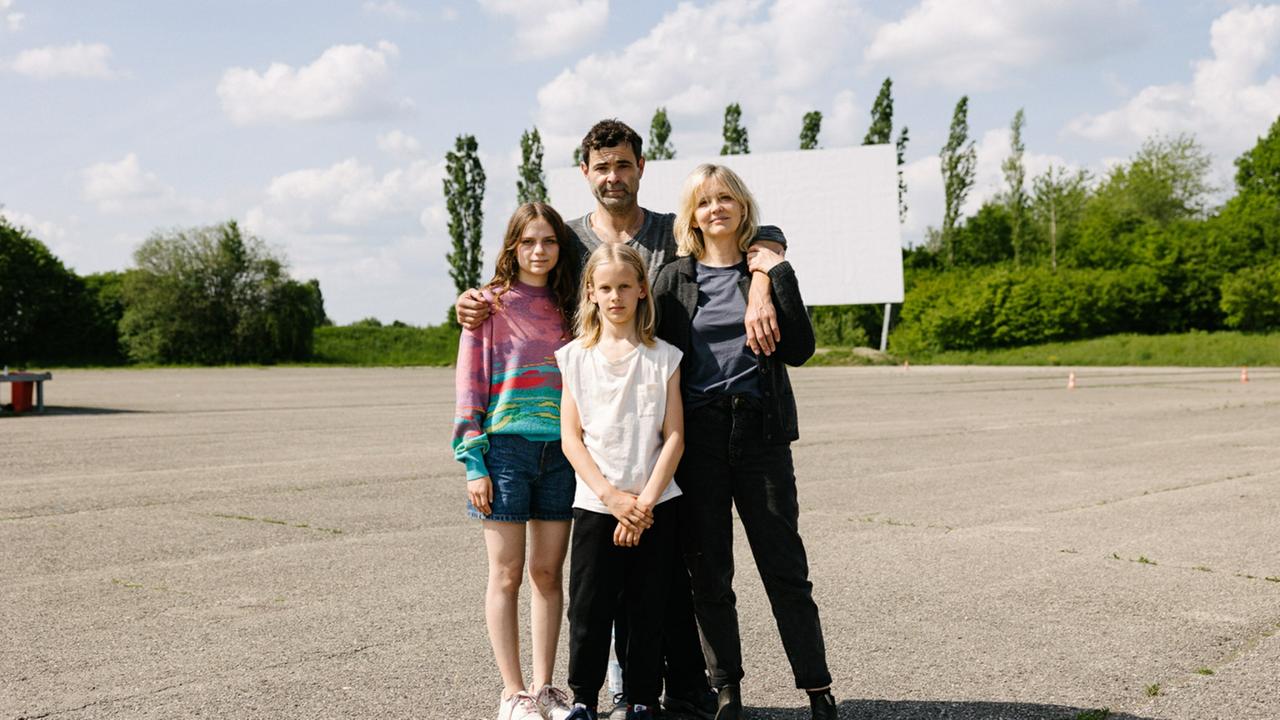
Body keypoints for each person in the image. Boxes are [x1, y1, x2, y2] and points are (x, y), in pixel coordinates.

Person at [456, 118, 785, 720]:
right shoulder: (567, 238)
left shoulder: (668, 229)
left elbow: (751, 231)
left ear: (640, 167)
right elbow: (521, 275)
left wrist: (764, 275)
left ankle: (669, 689)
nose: (613, 176)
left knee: (668, 580)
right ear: (585, 172)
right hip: (586, 449)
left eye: (624, 165)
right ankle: (593, 691)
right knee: (592, 586)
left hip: (669, 424)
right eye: (601, 167)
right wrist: (476, 299)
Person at [653, 164, 838, 720]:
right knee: (709, 574)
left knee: (785, 569)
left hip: (760, 435)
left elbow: (800, 349)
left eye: (726, 197)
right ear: (692, 215)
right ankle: (727, 691)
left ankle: (818, 689)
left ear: (742, 206)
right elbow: (658, 364)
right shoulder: (673, 280)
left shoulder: (766, 268)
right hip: (700, 437)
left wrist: (772, 277)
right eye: (705, 202)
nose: (717, 208)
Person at [452, 203, 579, 720]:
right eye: (528, 242)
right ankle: (513, 693)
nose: (539, 251)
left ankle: (546, 688)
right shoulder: (487, 306)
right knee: (506, 574)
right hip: (504, 452)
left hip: (563, 453)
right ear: (512, 247)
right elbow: (469, 388)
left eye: (548, 241)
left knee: (548, 574)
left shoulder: (574, 306)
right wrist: (473, 461)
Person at [555, 244, 686, 720]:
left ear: (642, 290)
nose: (615, 296)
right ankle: (584, 700)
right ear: (590, 293)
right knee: (589, 610)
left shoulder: (664, 357)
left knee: (647, 608)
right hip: (596, 503)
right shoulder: (573, 358)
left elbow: (673, 436)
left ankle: (642, 700)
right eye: (605, 288)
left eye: (625, 286)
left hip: (654, 504)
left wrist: (644, 503)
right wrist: (612, 499)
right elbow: (571, 438)